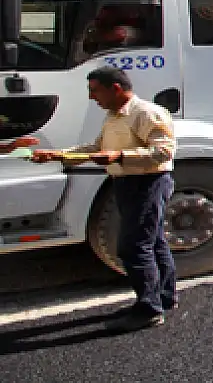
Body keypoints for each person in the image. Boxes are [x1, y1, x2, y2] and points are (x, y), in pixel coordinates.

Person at [32, 66, 177, 333]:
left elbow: (163, 152)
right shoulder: (113, 116)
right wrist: (57, 155)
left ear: (116, 89)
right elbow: (97, 148)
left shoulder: (146, 113)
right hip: (125, 183)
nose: (91, 97)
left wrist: (119, 156)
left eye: (94, 91)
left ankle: (149, 310)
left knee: (133, 248)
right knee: (152, 242)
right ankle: (163, 298)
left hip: (147, 183)